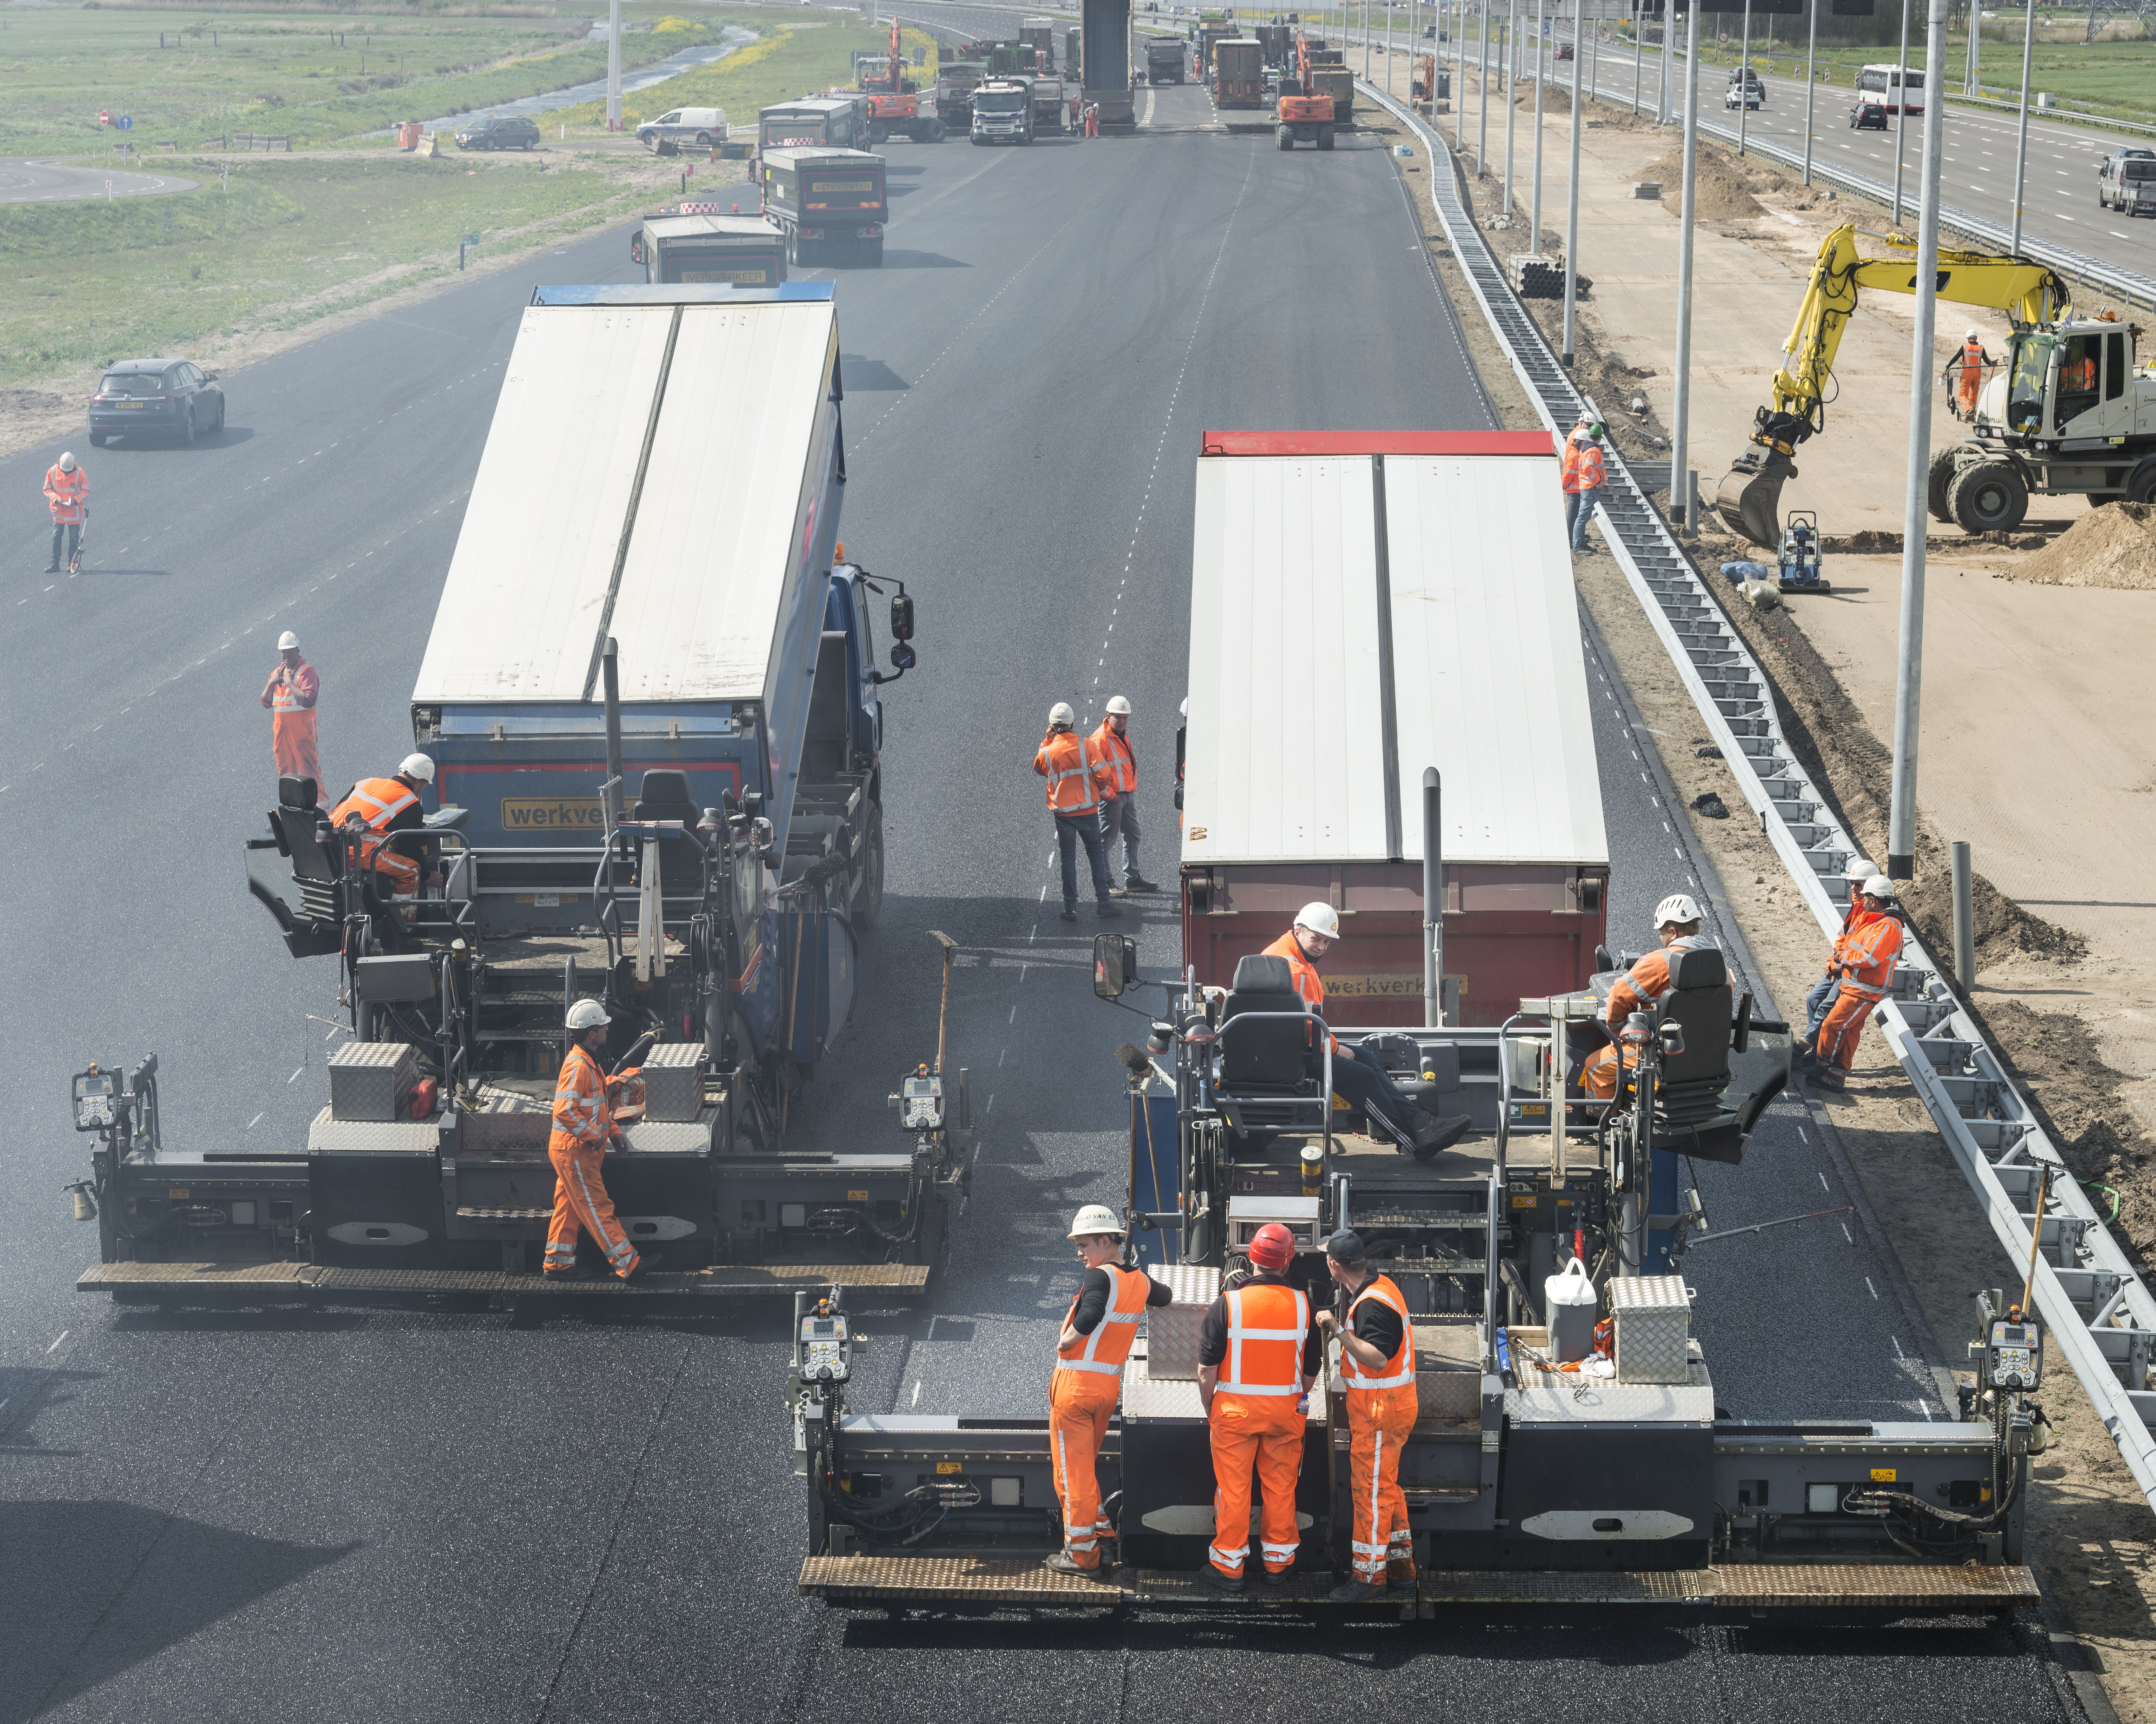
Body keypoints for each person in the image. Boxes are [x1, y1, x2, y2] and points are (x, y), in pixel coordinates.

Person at [1263, 903, 1472, 1157]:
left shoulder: (1288, 957)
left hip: (1290, 1048)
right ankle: (1415, 1143)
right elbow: (1307, 1027)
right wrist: (1336, 1049)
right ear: (1298, 931)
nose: (1321, 947)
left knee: (1367, 1058)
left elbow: (1305, 1023)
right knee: (1362, 1077)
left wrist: (1336, 1047)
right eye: (1316, 938)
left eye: (1327, 942)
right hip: (1291, 1056)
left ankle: (1420, 1122)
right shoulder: (1294, 968)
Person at [1046, 1204, 1175, 1579]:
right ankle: (1100, 1534)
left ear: (1108, 1240)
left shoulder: (1101, 1277)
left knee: (1072, 1475)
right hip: (1105, 1390)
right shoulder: (1138, 1281)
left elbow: (1089, 1315)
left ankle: (1083, 1555)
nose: (1080, 1252)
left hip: (1075, 1390)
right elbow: (1164, 1297)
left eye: (1085, 1244)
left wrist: (1065, 1343)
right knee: (1085, 1471)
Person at [1197, 1221, 1323, 1594]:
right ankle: (1278, 1565)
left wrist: (1212, 1407)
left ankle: (1229, 1567)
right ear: (1288, 1264)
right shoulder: (1305, 1307)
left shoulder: (1228, 1304)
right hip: (1286, 1416)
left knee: (1234, 1491)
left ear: (1251, 1259)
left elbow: (1207, 1369)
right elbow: (1311, 1372)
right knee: (1281, 1489)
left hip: (1234, 1415)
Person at [1312, 1229, 1418, 1602]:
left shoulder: (1372, 1304)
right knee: (1385, 1488)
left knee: (1370, 1493)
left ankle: (1369, 1579)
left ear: (1335, 1266)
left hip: (1380, 1411)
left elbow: (1377, 1357)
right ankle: (1402, 1569)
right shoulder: (1379, 1286)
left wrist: (1338, 1330)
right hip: (1388, 1406)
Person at [1581, 892, 1718, 1102]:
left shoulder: (1659, 962)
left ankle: (1603, 1126)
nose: (1661, 939)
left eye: (1662, 933)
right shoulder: (1720, 966)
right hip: (1706, 1057)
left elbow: (1619, 996)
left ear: (1673, 932)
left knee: (1595, 1066)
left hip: (1659, 1056)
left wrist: (1618, 1033)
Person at [545, 999, 644, 1281]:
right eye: (603, 1027)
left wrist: (613, 1132)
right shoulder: (579, 1066)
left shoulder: (590, 1062)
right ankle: (629, 1264)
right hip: (576, 1151)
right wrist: (595, 1136)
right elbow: (565, 1111)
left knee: (568, 1207)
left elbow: (597, 1108)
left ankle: (558, 1264)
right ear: (591, 1033)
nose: (607, 1031)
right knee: (598, 1208)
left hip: (574, 1151)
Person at [1812, 876, 1904, 1091]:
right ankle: (1836, 1077)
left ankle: (1821, 1067)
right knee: (1850, 1031)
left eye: (1865, 897)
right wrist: (1838, 959)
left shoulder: (1888, 925)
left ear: (1873, 900)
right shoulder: (1875, 920)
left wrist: (1842, 960)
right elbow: (1850, 944)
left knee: (1832, 1025)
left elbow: (1870, 958)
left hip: (1863, 992)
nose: (1861, 900)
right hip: (1855, 988)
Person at [1034, 701, 1122, 923]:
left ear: (1052, 727)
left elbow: (1038, 767)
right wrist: (1099, 789)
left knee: (1068, 860)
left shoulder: (1048, 751)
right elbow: (1103, 773)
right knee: (1095, 856)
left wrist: (1047, 740)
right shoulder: (1086, 746)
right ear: (1072, 723)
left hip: (1064, 817)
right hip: (1088, 811)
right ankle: (1104, 903)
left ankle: (1071, 908)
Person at [1800, 858, 1880, 1062]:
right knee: (1814, 1000)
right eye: (1852, 884)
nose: (1853, 888)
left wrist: (1837, 965)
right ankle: (1815, 1048)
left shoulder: (1872, 916)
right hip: (1841, 967)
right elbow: (1843, 940)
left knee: (1826, 1006)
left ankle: (1807, 1047)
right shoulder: (1857, 909)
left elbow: (1866, 955)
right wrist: (1832, 963)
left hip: (1852, 974)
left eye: (1859, 885)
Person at [328, 752, 434, 898]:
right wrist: (428, 876)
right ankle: (403, 920)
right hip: (358, 853)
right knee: (413, 871)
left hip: (328, 845)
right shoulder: (411, 803)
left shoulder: (366, 783)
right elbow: (410, 848)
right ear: (417, 783)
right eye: (424, 785)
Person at [1091, 695, 1156, 896]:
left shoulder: (1121, 734)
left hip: (1127, 795)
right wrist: (1111, 797)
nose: (1122, 721)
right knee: (1106, 843)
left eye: (1125, 718)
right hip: (1112, 799)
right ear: (1108, 716)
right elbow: (1094, 777)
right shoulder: (1099, 740)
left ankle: (1132, 879)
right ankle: (1107, 883)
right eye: (1118, 717)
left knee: (1134, 835)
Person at [260, 631, 321, 792]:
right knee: (287, 779)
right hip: (282, 738)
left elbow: (309, 700)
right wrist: (271, 684)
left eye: (290, 651)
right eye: (283, 652)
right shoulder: (276, 674)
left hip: (303, 736)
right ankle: (293, 812)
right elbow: (266, 702)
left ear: (298, 651)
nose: (286, 655)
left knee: (311, 776)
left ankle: (323, 813)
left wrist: (289, 681)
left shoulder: (307, 672)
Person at [1562, 422, 1607, 553]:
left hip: (1581, 488)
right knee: (1579, 517)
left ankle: (1578, 542)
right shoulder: (1589, 451)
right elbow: (1585, 469)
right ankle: (1576, 544)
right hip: (1583, 488)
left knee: (1581, 517)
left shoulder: (1581, 451)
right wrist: (1598, 481)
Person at [44, 451, 87, 574]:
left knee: (74, 539)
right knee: (56, 537)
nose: (67, 473)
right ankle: (55, 564)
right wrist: (57, 498)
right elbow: (47, 489)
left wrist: (76, 499)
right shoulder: (52, 471)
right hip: (59, 512)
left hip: (74, 513)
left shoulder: (80, 473)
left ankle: (71, 564)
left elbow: (86, 490)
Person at [1952, 328, 1991, 420]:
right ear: (1976, 338)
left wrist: (1947, 367)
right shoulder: (1981, 348)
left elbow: (1955, 357)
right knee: (1974, 395)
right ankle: (1971, 415)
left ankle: (1968, 409)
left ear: (1968, 338)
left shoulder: (1965, 347)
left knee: (1963, 395)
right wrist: (1993, 364)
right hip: (1977, 375)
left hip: (1967, 374)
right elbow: (1988, 361)